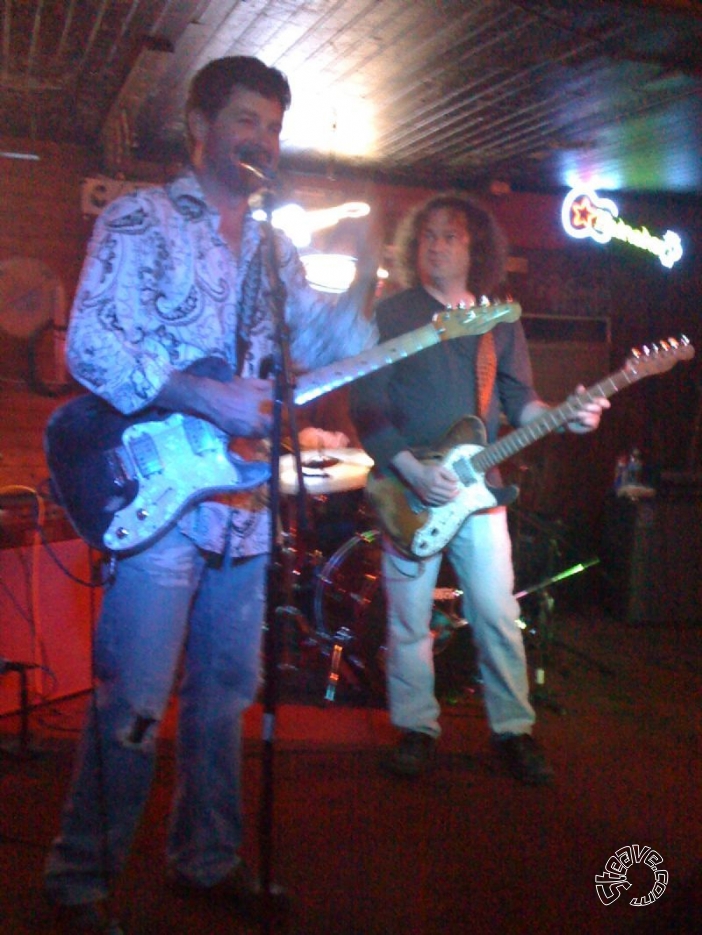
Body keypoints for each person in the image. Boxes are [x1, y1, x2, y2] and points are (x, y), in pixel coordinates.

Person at [44, 56, 377, 933]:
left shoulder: (275, 248)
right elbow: (89, 349)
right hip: (161, 494)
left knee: (226, 696)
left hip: (247, 508)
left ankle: (207, 857)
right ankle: (81, 878)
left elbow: (322, 342)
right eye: (245, 119)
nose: (262, 138)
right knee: (135, 702)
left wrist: (369, 276)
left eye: (272, 124)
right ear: (200, 124)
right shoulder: (139, 218)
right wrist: (203, 394)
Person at [349, 192, 608, 784]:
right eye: (428, 235)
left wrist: (566, 413)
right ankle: (416, 728)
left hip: (481, 491)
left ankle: (512, 732)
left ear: (476, 248)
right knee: (409, 620)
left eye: (451, 235)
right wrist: (411, 468)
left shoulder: (499, 319)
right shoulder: (392, 314)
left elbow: (521, 401)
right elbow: (365, 403)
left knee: (496, 613)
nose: (436, 245)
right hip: (407, 489)